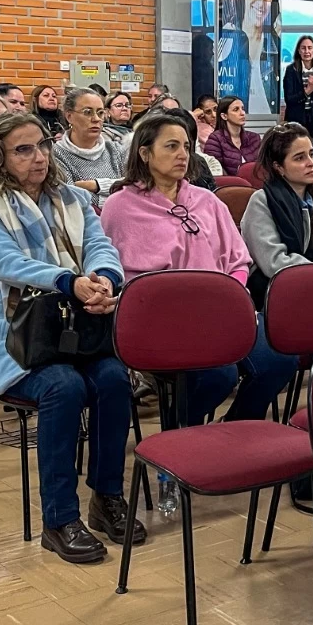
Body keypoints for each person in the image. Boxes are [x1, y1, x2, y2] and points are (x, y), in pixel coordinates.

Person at [0, 112, 139, 564]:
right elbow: (0, 260)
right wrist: (66, 280)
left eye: (41, 145)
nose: (38, 156)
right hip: (13, 337)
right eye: (23, 149)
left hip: (74, 328)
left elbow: (100, 244)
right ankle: (60, 521)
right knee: (65, 385)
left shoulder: (70, 197)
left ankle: (107, 498)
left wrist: (104, 280)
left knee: (115, 377)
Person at [101, 111, 297, 426]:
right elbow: (117, 273)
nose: (183, 154)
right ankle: (178, 438)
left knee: (279, 357)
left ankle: (235, 428)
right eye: (171, 146)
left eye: (187, 146)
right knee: (218, 374)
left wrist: (232, 295)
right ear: (145, 152)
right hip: (162, 318)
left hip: (220, 310)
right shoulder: (121, 207)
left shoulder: (207, 201)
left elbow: (237, 258)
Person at [240, 123, 313, 308]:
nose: (311, 163)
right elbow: (275, 262)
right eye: (299, 158)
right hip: (285, 294)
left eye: (311, 154)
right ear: (279, 167)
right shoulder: (262, 202)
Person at [53, 87, 126, 206]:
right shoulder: (57, 154)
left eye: (100, 113)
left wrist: (97, 185)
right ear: (69, 116)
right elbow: (73, 199)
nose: (96, 119)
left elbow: (138, 186)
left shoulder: (115, 150)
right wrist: (119, 196)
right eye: (88, 112)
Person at [282, 36, 313, 138]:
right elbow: (289, 99)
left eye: (310, 48)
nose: (307, 51)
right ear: (299, 51)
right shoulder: (291, 70)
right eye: (303, 48)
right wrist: (307, 91)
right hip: (296, 120)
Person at [203, 95, 261, 176]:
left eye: (243, 108)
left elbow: (261, 167)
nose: (242, 113)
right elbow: (215, 170)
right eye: (236, 109)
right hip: (229, 185)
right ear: (224, 116)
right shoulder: (215, 139)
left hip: (254, 185)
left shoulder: (254, 138)